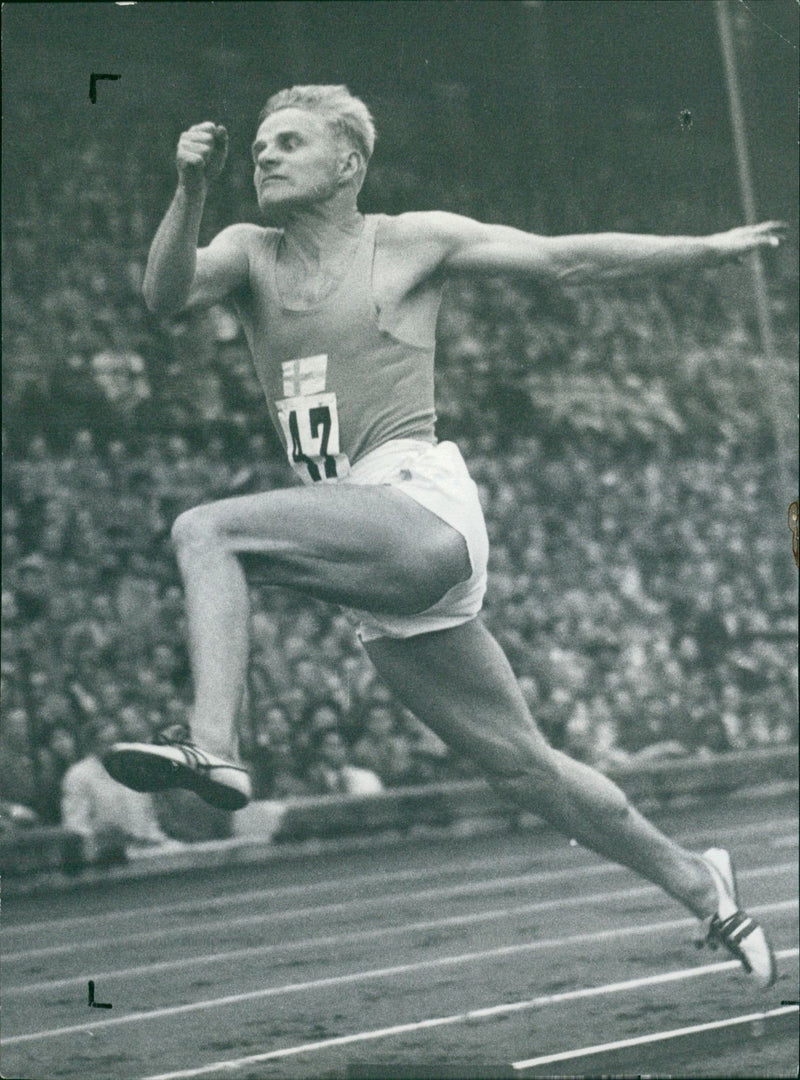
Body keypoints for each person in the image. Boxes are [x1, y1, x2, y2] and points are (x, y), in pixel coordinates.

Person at [104, 84, 785, 987]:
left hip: (416, 506)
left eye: (290, 142)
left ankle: (215, 747)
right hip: (362, 547)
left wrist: (704, 250)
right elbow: (165, 296)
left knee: (207, 530)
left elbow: (562, 260)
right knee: (525, 769)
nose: (264, 155)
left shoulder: (407, 240)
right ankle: (704, 887)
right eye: (260, 145)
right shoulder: (244, 251)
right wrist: (190, 186)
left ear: (347, 164)